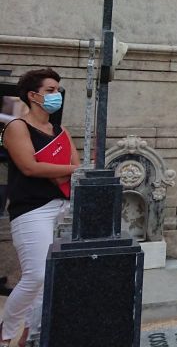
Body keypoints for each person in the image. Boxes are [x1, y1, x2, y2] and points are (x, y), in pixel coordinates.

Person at [1, 69, 78, 346]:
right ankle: (6, 331)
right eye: (50, 90)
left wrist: (74, 170)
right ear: (33, 96)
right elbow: (29, 167)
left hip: (64, 207)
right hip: (32, 209)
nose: (56, 95)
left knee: (54, 278)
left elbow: (76, 166)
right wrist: (72, 170)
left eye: (57, 90)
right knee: (38, 273)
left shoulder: (61, 131)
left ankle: (29, 334)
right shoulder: (16, 127)